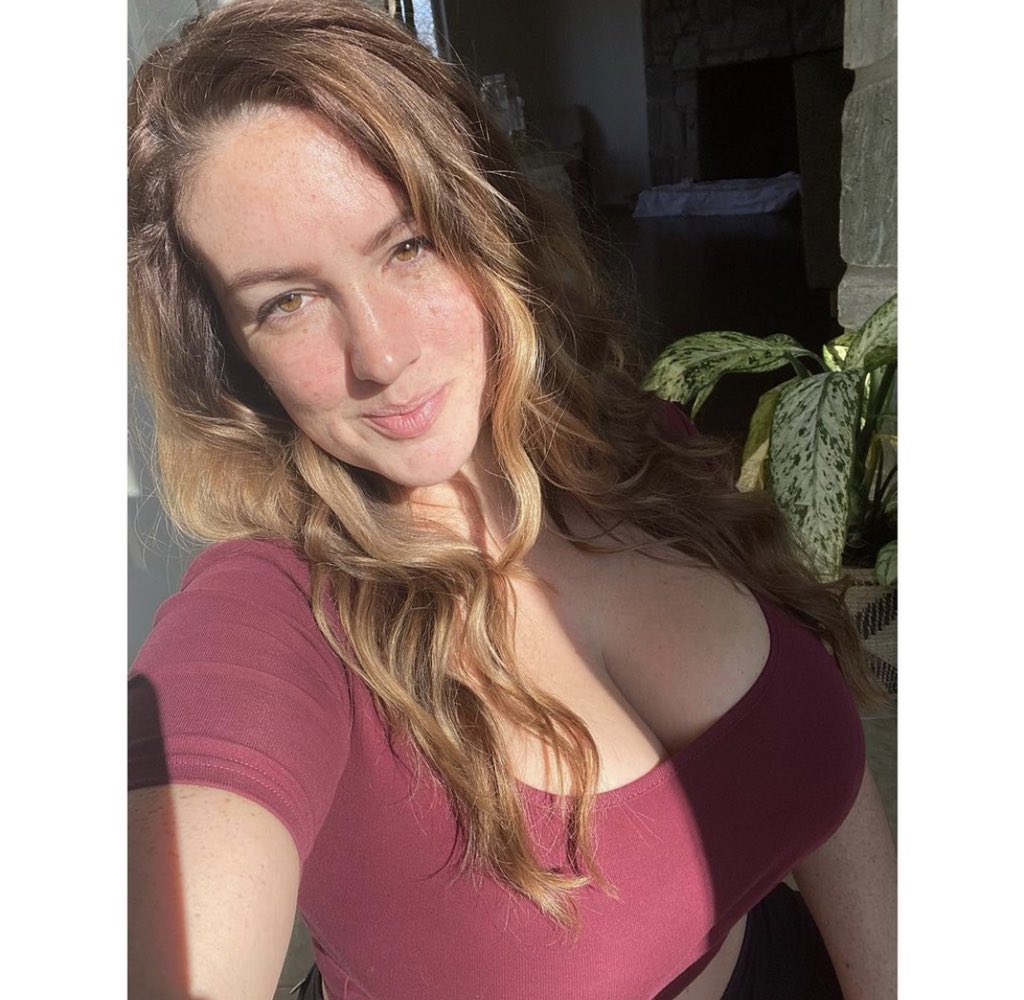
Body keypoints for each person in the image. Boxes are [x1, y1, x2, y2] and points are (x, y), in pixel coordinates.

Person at [127, 2, 896, 998]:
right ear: (231, 352)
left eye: (407, 245)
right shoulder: (274, 615)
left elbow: (825, 787)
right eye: (287, 301)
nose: (382, 354)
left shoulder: (640, 452)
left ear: (485, 224)